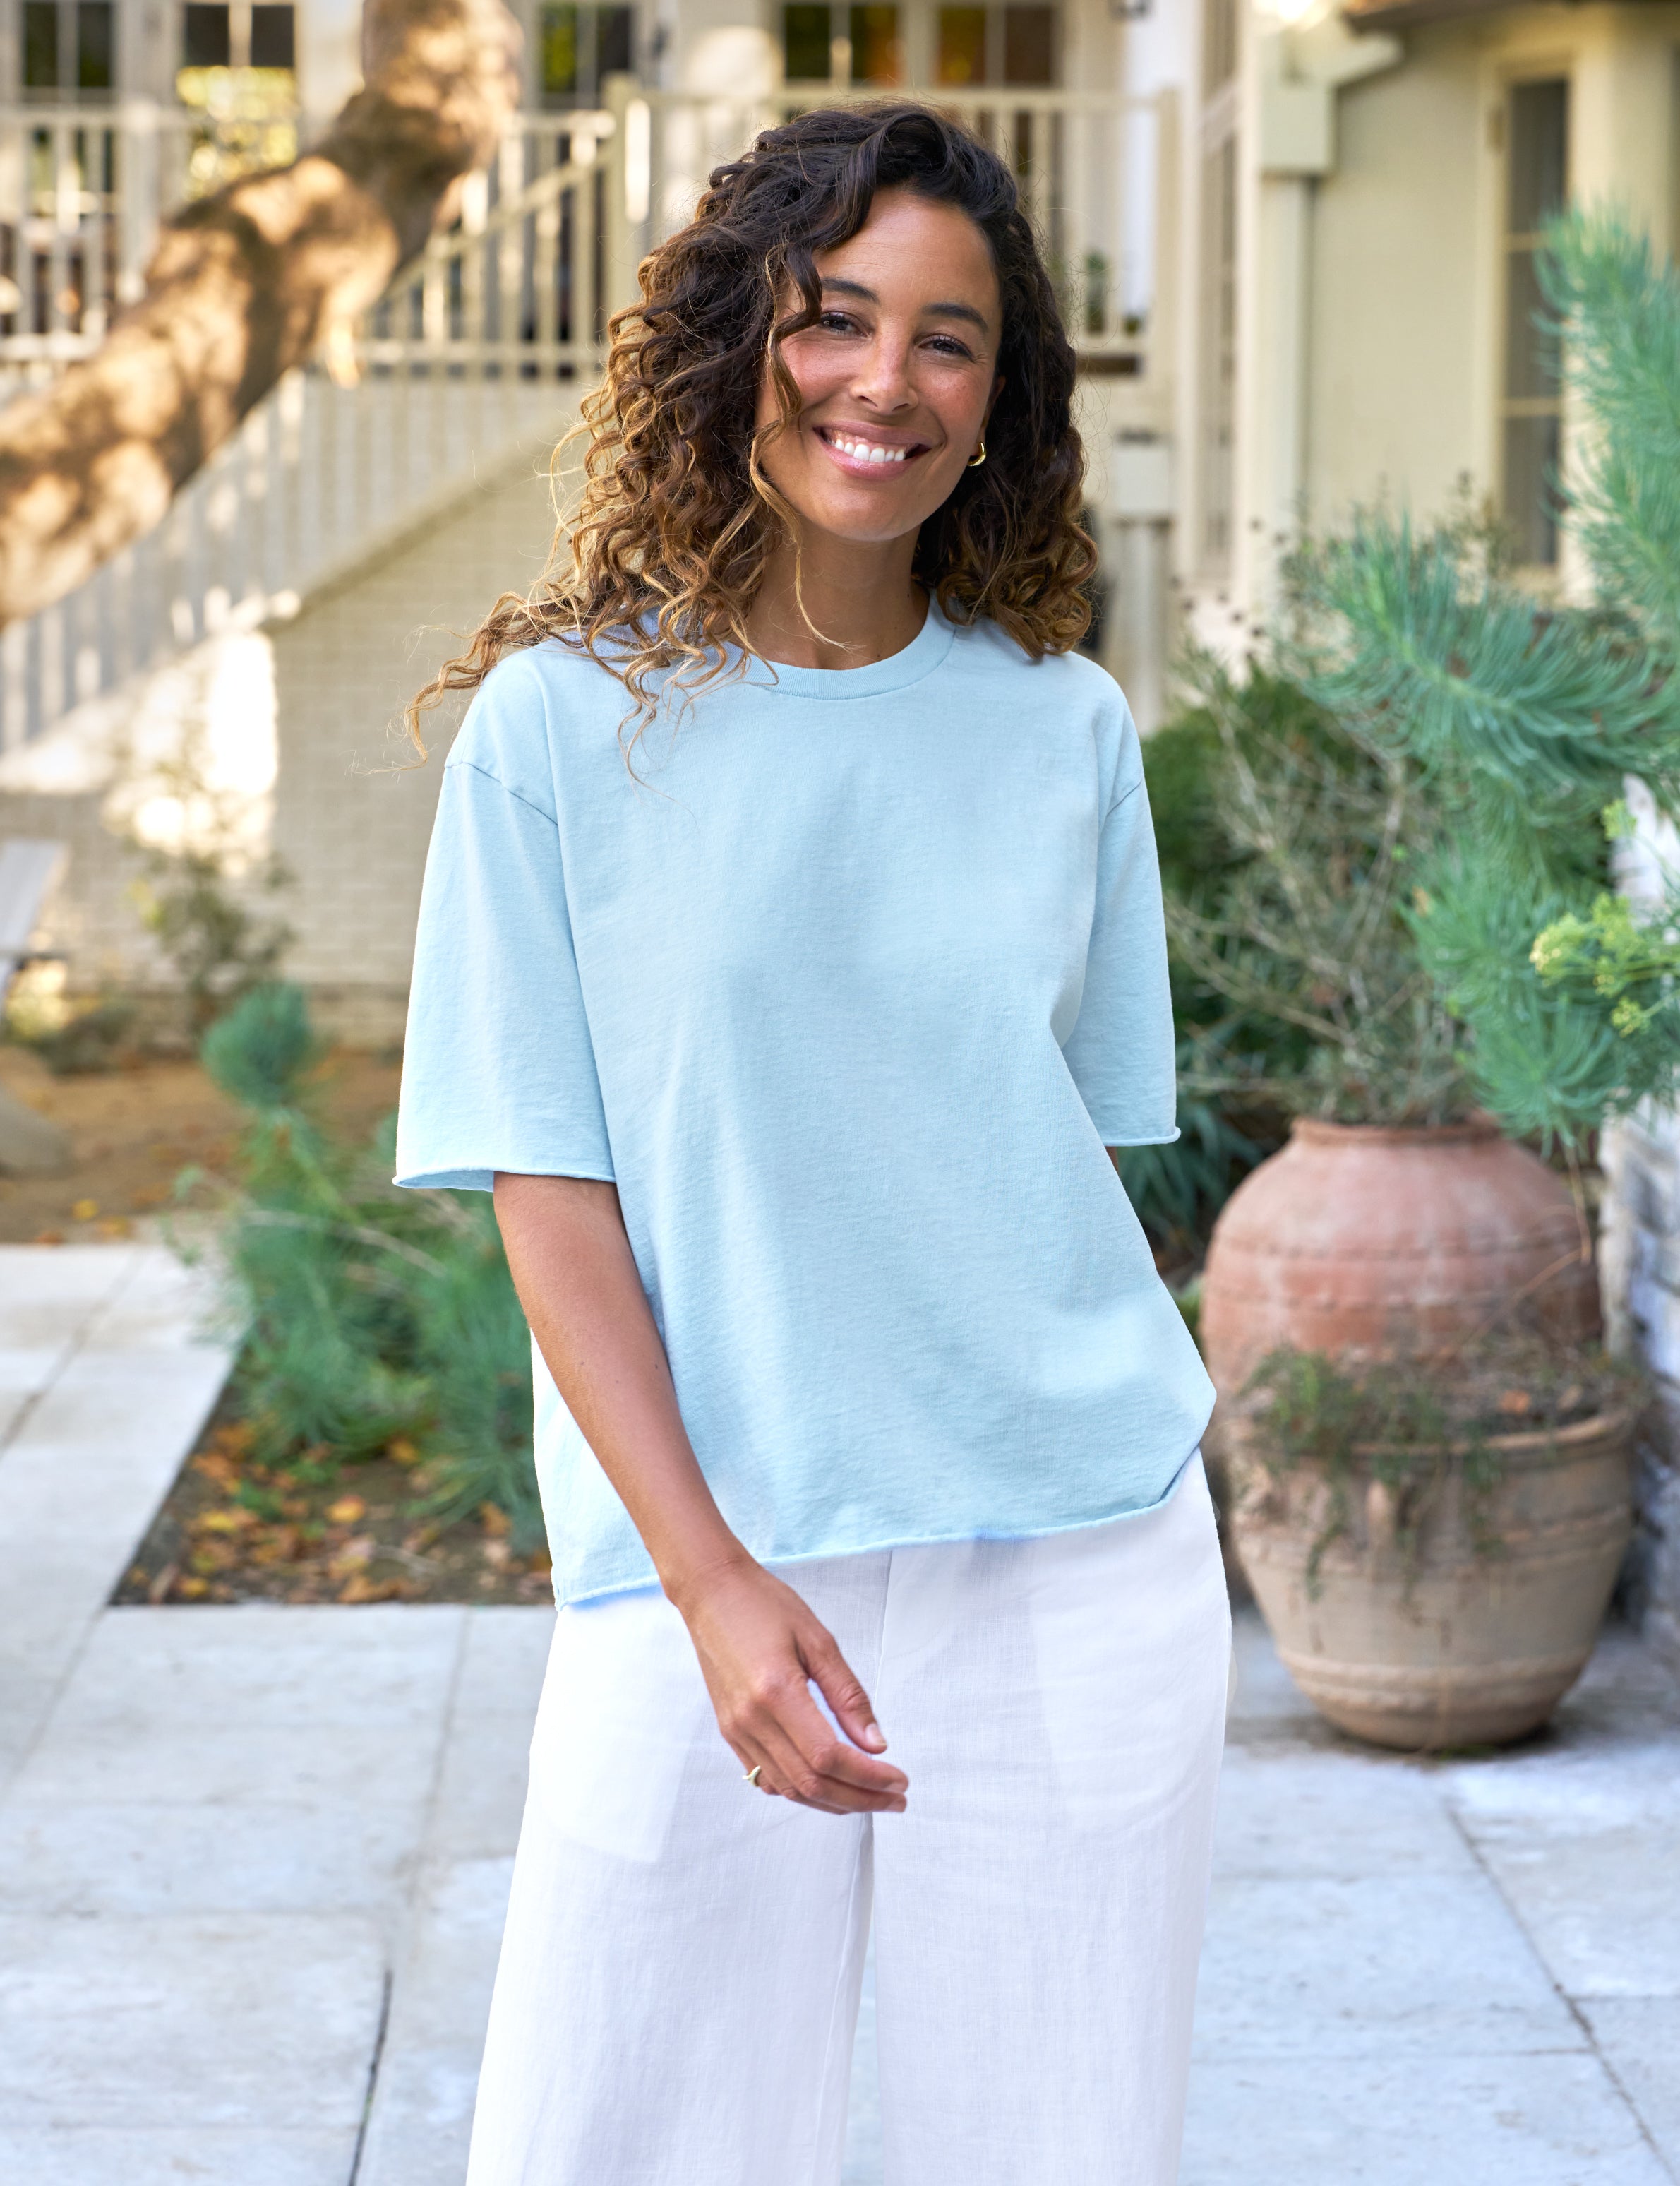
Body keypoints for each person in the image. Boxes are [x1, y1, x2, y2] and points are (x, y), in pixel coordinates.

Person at [395, 100, 1227, 2186]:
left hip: (1074, 1556)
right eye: (834, 317)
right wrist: (708, 1580)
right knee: (617, 2140)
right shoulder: (558, 727)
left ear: (1000, 399)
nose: (887, 381)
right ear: (733, 342)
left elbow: (1054, 1166)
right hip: (706, 1549)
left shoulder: (1064, 730)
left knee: (1055, 2153)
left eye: (950, 339)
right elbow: (548, 1187)